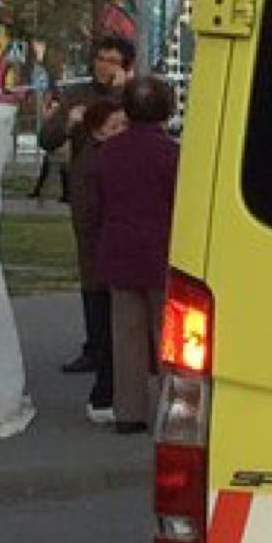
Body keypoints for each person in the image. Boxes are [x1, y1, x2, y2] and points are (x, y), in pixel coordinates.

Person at [37, 36, 133, 373]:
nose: (103, 66)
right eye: (100, 59)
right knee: (91, 272)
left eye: (112, 61)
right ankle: (95, 346)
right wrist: (68, 123)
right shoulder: (77, 95)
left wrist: (119, 93)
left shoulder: (133, 98)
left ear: (125, 68)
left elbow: (136, 129)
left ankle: (123, 348)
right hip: (87, 196)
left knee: (122, 274)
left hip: (123, 197)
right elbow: (46, 140)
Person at [92, 75, 181, 435]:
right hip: (163, 251)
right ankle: (174, 410)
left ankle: (129, 411)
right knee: (169, 336)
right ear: (166, 110)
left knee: (126, 334)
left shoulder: (108, 152)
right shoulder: (173, 154)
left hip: (120, 249)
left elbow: (99, 201)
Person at [71, 98, 128, 421]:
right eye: (114, 127)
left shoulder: (102, 158)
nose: (121, 132)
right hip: (100, 261)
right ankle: (103, 396)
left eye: (123, 125)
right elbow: (88, 216)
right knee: (106, 332)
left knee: (110, 330)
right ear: (97, 131)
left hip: (103, 258)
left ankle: (108, 393)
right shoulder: (93, 163)